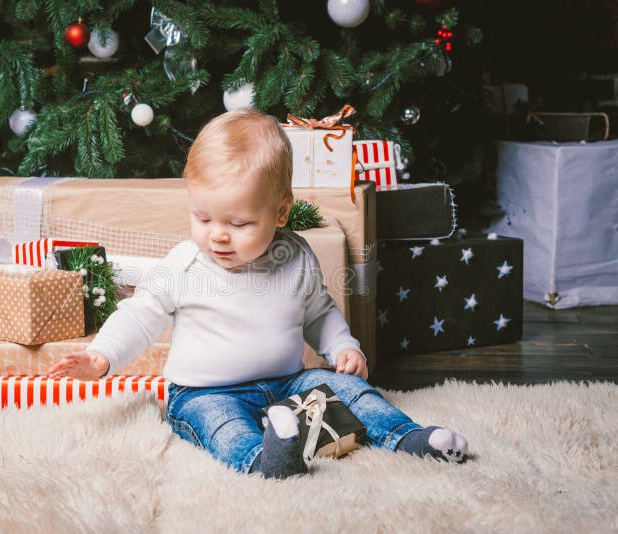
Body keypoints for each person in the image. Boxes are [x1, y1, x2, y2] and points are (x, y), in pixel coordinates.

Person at [48, 108, 468, 478]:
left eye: (240, 223)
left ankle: (409, 437)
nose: (218, 236)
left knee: (345, 389)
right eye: (203, 217)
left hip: (287, 382)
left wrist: (342, 346)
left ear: (281, 211)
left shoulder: (295, 255)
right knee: (220, 425)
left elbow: (319, 312)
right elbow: (140, 314)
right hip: (204, 391)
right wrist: (102, 356)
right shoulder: (185, 264)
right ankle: (265, 460)